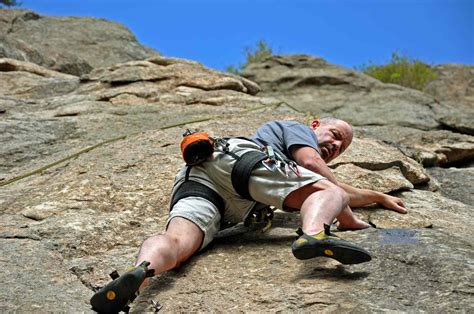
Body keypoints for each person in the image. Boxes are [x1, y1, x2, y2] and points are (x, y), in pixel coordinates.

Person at [90, 118, 407, 312]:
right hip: (244, 163)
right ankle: (315, 234)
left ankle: (139, 276)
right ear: (314, 125)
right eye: (335, 134)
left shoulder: (296, 144)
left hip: (201, 179)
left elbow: (329, 182)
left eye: (342, 147)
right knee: (328, 193)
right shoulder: (295, 130)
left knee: (176, 242)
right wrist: (347, 216)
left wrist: (378, 196)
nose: (336, 145)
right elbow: (313, 167)